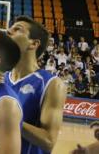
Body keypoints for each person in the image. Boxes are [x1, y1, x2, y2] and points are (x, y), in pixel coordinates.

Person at [6, 16, 66, 153]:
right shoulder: (0, 78)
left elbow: (49, 141)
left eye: (17, 29)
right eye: (10, 28)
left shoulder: (52, 84)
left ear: (33, 44)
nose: (8, 31)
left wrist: (10, 120)